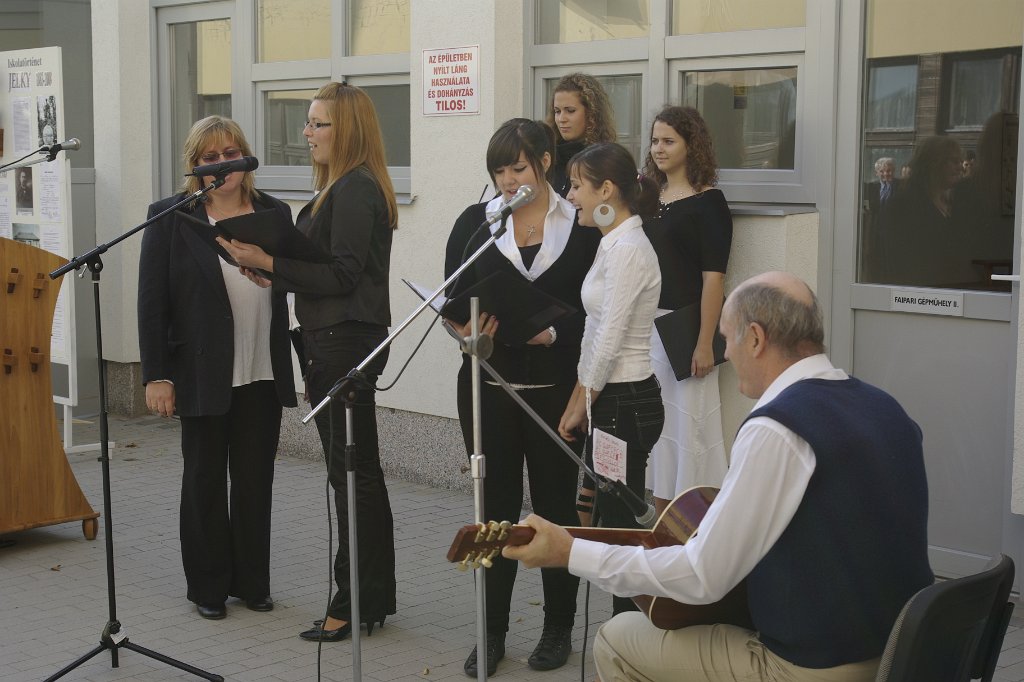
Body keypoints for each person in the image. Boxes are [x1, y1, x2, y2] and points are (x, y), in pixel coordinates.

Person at [505, 271, 934, 682]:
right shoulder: (885, 407)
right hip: (902, 649)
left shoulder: (778, 428)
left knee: (619, 637)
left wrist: (571, 552)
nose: (725, 354)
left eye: (726, 338)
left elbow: (703, 576)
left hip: (815, 666)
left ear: (756, 338)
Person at [219, 82, 398, 642]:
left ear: (346, 130)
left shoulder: (355, 189)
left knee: (352, 477)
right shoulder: (339, 187)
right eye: (309, 122)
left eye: (318, 123)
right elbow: (327, 269)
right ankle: (369, 598)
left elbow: (344, 275)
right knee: (357, 475)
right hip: (334, 338)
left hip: (344, 344)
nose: (307, 133)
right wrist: (271, 271)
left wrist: (271, 261)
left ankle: (352, 601)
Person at [443, 118, 600, 676]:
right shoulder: (476, 222)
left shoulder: (581, 223)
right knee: (493, 515)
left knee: (556, 510)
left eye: (518, 169)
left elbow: (602, 311)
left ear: (546, 162)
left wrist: (553, 333)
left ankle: (558, 628)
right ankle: (490, 632)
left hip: (557, 393)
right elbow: (451, 298)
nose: (508, 182)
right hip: (489, 388)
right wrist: (465, 331)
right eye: (499, 172)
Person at [137, 115, 297, 620]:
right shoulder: (171, 216)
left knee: (254, 481)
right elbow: (152, 302)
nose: (222, 164)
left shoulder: (274, 212)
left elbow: (292, 278)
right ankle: (207, 588)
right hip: (201, 371)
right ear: (195, 166)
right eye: (210, 157)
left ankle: (252, 583)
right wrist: (157, 375)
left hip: (261, 369)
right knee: (204, 480)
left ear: (245, 158)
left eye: (231, 153)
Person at [559, 142, 665, 617]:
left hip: (626, 402)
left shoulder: (628, 250)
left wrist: (584, 401)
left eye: (576, 186)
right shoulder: (612, 242)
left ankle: (630, 633)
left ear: (606, 190)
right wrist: (579, 400)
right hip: (611, 400)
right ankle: (625, 632)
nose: (570, 196)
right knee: (611, 523)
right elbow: (593, 330)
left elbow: (610, 340)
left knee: (620, 531)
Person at [641, 106, 731, 516]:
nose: (659, 148)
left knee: (690, 431)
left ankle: (694, 526)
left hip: (684, 333)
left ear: (691, 146)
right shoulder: (647, 197)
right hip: (646, 330)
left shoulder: (709, 202)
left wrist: (704, 343)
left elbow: (714, 278)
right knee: (658, 433)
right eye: (655, 141)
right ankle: (661, 525)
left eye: (669, 141)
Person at [879, 136, 969, 286]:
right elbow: (901, 263)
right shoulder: (904, 205)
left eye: (961, 161)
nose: (960, 167)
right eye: (954, 161)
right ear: (934, 164)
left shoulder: (952, 203)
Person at [546, 73, 617, 197]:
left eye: (570, 111)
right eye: (557, 111)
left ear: (591, 113)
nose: (561, 119)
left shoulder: (606, 162)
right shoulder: (547, 158)